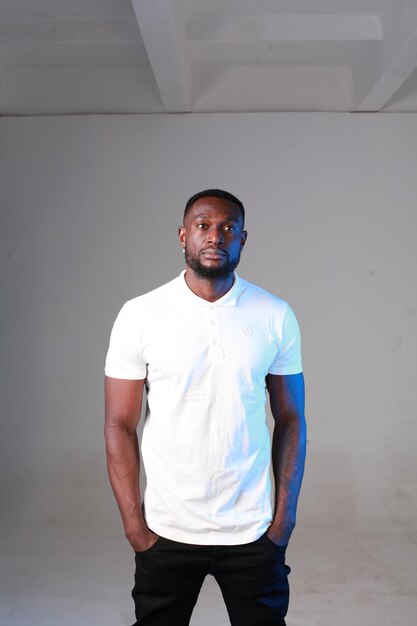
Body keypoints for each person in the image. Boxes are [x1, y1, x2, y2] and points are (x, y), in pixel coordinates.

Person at [104, 189, 306, 626]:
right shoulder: (140, 315)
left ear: (243, 239)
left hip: (252, 531)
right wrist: (134, 526)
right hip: (166, 529)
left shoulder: (274, 314)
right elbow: (119, 423)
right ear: (183, 236)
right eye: (203, 226)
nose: (215, 236)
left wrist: (283, 520)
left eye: (228, 228)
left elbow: (290, 419)